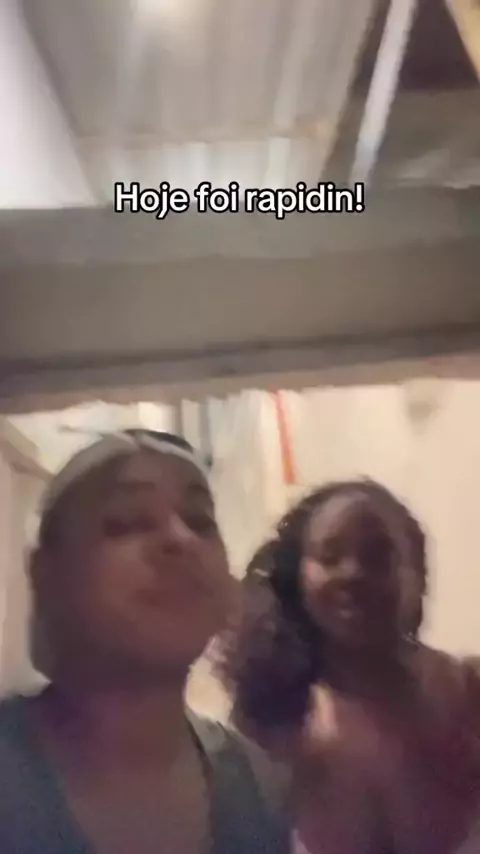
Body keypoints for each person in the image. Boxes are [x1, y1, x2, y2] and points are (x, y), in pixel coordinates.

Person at [0, 429, 290, 854]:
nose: (181, 539)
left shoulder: (262, 789)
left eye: (200, 521)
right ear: (47, 573)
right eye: (126, 522)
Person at [218, 479, 480, 854]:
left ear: (417, 573)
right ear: (298, 577)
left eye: (377, 556)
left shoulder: (467, 693)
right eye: (329, 557)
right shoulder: (270, 719)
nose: (353, 573)